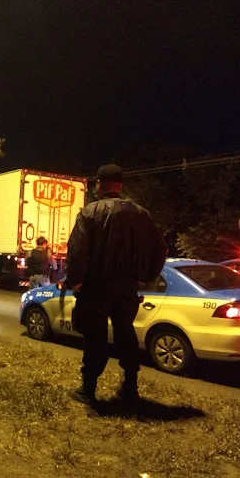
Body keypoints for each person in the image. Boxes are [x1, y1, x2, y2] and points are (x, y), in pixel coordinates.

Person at [66, 164, 167, 405]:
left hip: (96, 288)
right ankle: (130, 388)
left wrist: (76, 282)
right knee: (126, 334)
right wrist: (147, 277)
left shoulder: (90, 213)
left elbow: (77, 251)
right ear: (120, 184)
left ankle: (88, 390)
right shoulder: (143, 214)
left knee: (94, 338)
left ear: (100, 184)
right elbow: (161, 249)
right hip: (127, 289)